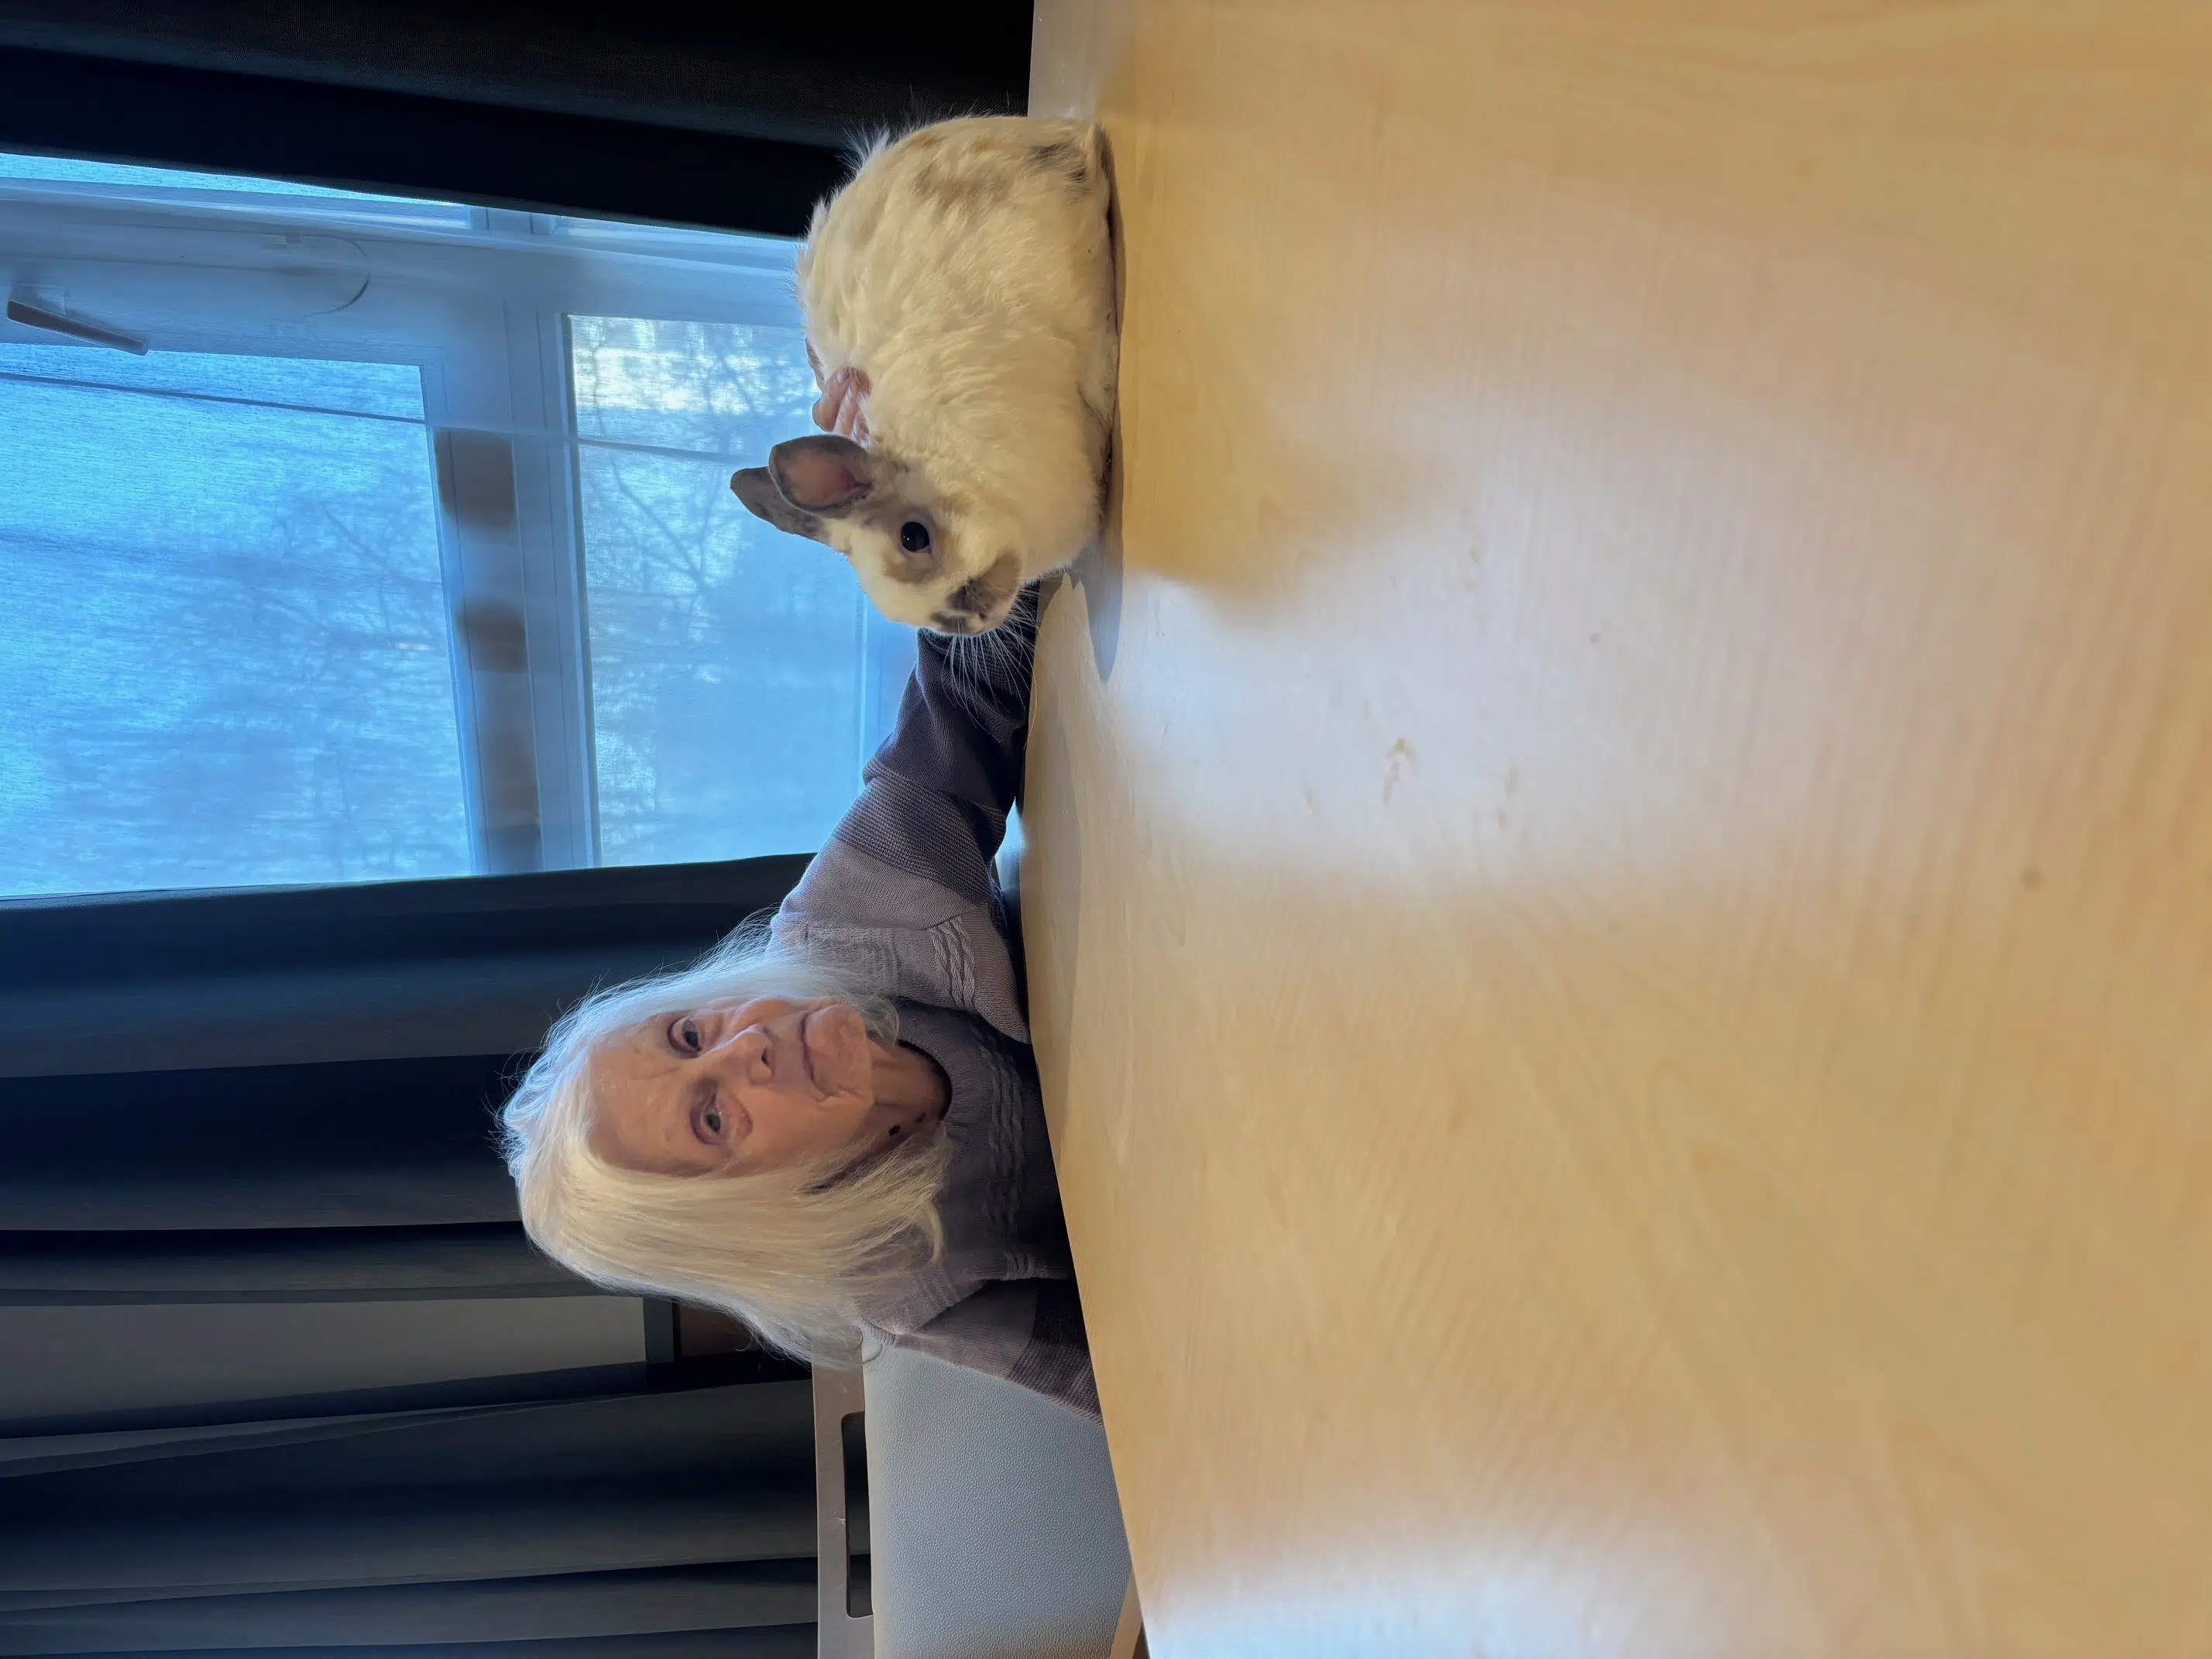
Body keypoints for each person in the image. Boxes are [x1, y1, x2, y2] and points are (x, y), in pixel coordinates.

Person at [500, 371, 1091, 1417]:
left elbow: (964, 696)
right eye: (714, 1118)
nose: (746, 1047)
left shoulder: (847, 926)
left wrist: (918, 489)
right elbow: (1121, 1375)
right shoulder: (901, 1274)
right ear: (755, 1218)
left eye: (689, 1034)